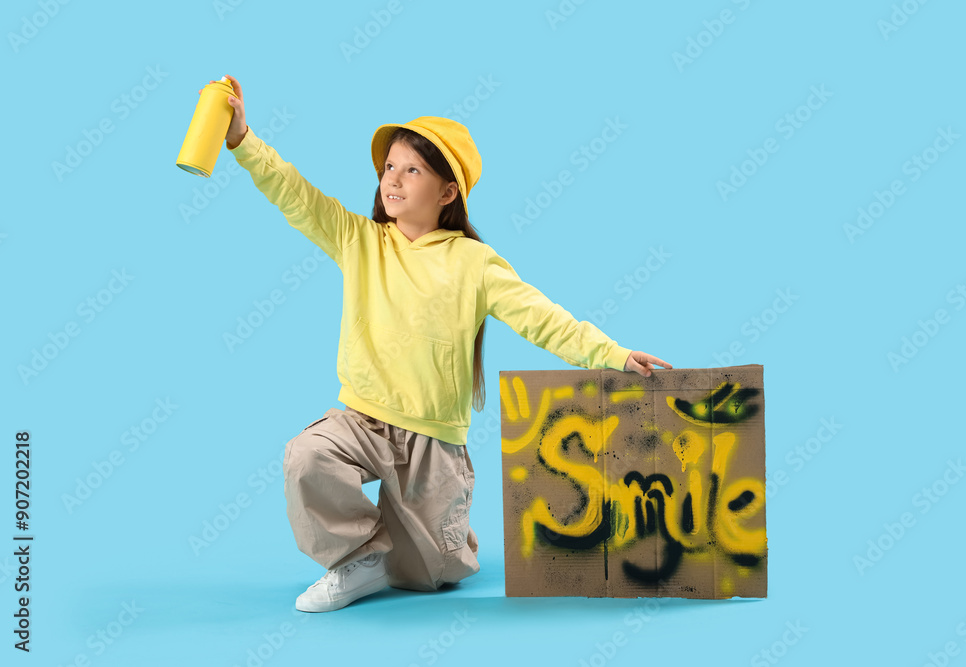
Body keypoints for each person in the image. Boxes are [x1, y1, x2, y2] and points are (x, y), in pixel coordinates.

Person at [200, 74, 671, 613]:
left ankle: (420, 538)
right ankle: (358, 558)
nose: (393, 179)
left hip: (432, 440)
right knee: (307, 456)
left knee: (428, 576)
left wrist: (613, 355)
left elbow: (544, 320)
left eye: (412, 170)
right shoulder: (359, 240)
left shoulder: (474, 263)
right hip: (362, 423)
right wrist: (242, 140)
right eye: (388, 167)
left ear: (447, 193)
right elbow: (294, 193)